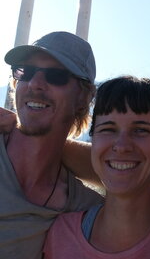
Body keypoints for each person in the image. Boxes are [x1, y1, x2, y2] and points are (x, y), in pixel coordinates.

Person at [43, 75, 150, 258]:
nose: (122, 146)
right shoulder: (60, 236)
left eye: (141, 130)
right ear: (92, 138)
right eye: (108, 129)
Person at [0, 31, 103, 258]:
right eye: (24, 71)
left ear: (84, 97)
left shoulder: (84, 210)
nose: (35, 84)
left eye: (56, 76)